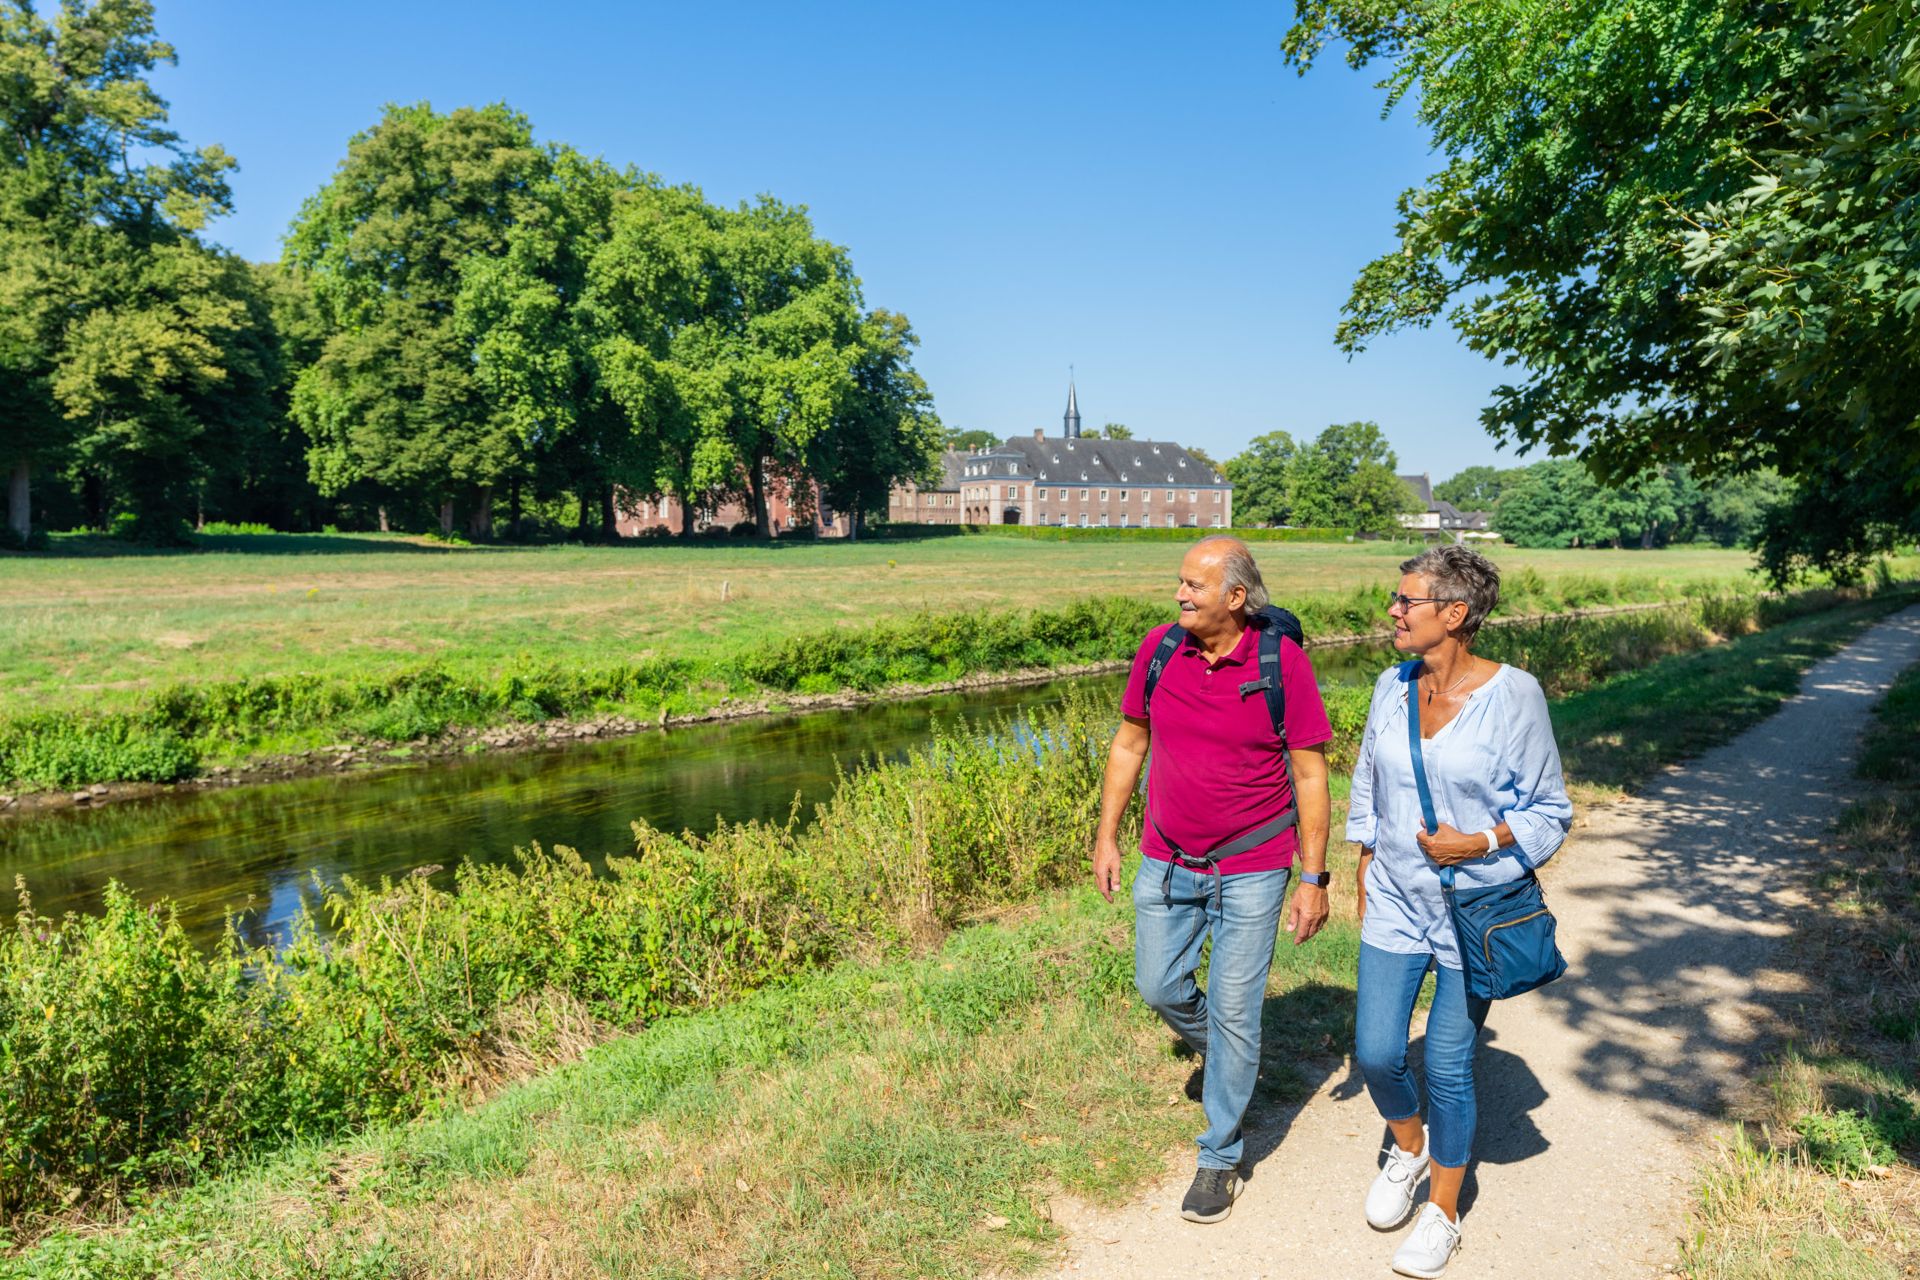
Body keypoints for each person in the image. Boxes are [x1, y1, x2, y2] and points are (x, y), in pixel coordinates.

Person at [1346, 544, 1573, 1278]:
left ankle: (1442, 1213)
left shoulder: (1515, 696)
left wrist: (1478, 840)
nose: (1392, 611)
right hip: (1393, 901)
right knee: (1379, 1052)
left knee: (1446, 1063)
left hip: (1472, 909)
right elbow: (1367, 783)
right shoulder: (1391, 684)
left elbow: (1550, 812)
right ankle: (1408, 1148)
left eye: (1406, 600)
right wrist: (1363, 865)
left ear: (1456, 613)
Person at [1092, 535, 1333, 1224]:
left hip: (1253, 865)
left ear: (1235, 596)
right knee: (1158, 985)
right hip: (1166, 855)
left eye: (1194, 586)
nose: (1179, 595)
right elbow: (1129, 743)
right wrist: (1107, 836)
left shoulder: (1280, 662)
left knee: (1233, 1007)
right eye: (1179, 583)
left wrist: (1312, 876)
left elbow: (1311, 774)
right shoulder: (1161, 649)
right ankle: (1233, 1052)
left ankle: (1219, 1154)